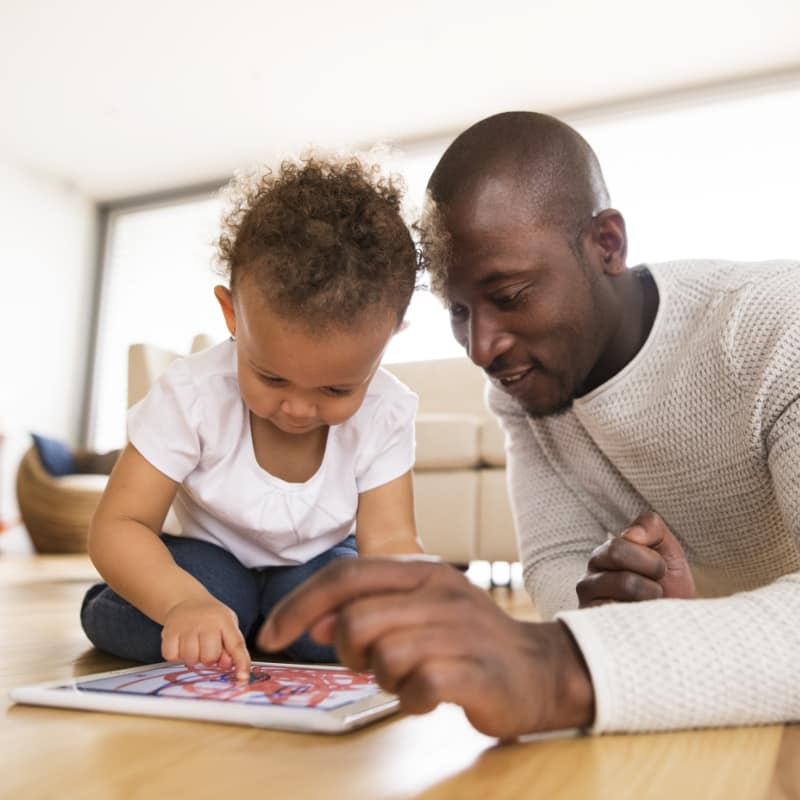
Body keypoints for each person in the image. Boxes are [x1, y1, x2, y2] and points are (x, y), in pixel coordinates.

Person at [257, 111, 800, 737]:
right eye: (459, 311)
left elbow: (561, 646)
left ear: (608, 245)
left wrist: (560, 666)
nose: (481, 348)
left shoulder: (774, 328)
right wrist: (614, 611)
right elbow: (556, 564)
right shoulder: (526, 391)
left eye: (509, 295)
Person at [82, 156, 424, 681]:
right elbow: (119, 525)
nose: (299, 409)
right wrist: (180, 603)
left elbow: (392, 545)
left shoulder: (387, 411)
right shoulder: (192, 393)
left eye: (337, 388)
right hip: (206, 564)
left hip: (315, 566)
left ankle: (260, 627)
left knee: (339, 612)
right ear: (231, 315)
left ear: (390, 337)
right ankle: (224, 618)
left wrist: (413, 606)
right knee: (198, 607)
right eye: (272, 378)